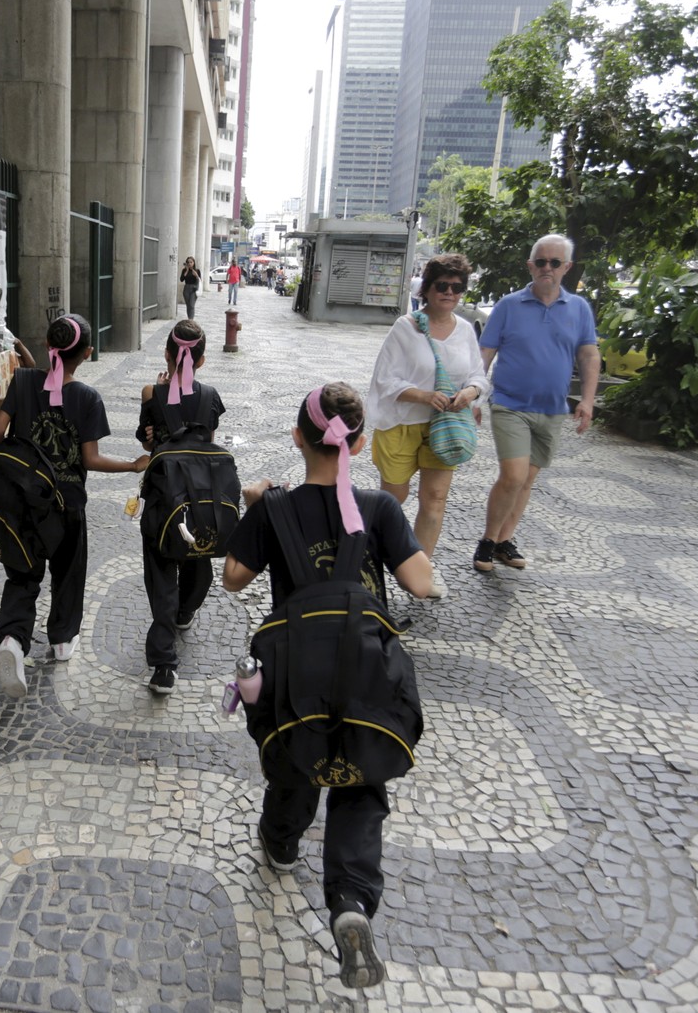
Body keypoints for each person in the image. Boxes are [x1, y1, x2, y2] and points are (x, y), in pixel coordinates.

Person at [222, 382, 433, 990]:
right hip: (365, 666)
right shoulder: (381, 509)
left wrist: (260, 502)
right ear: (360, 444)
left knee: (295, 760)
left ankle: (282, 844)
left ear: (297, 438)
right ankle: (351, 903)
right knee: (362, 781)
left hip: (294, 674)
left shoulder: (275, 507)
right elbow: (422, 584)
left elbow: (235, 578)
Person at [0, 314, 150, 697]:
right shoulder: (88, 399)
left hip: (23, 503)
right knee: (68, 573)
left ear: (48, 345)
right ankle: (61, 641)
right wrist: (132, 464)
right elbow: (91, 459)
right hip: (67, 504)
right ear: (88, 353)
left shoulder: (23, 381)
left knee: (23, 576)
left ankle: (12, 639)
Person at [473, 233, 599, 573]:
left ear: (567, 268)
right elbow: (485, 353)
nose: (547, 268)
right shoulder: (509, 306)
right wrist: (475, 393)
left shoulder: (579, 309)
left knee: (527, 480)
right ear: (530, 265)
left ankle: (504, 541)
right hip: (510, 404)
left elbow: (588, 355)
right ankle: (487, 540)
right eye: (541, 261)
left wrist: (587, 400)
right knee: (513, 476)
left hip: (552, 409)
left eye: (555, 263)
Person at [366, 254, 489, 598]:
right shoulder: (406, 327)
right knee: (394, 499)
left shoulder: (465, 330)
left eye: (457, 287)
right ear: (428, 288)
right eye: (442, 285)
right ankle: (372, 562)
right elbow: (384, 379)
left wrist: (471, 391)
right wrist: (422, 395)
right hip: (402, 423)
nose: (449, 292)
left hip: (445, 427)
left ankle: (420, 573)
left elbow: (479, 374)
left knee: (435, 498)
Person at [135, 320, 225, 695]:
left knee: (161, 577)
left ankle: (163, 666)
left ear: (168, 355)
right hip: (200, 500)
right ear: (201, 361)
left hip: (161, 500)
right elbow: (207, 447)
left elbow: (146, 445)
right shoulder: (210, 397)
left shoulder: (150, 394)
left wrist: (157, 429)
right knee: (198, 564)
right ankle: (186, 611)